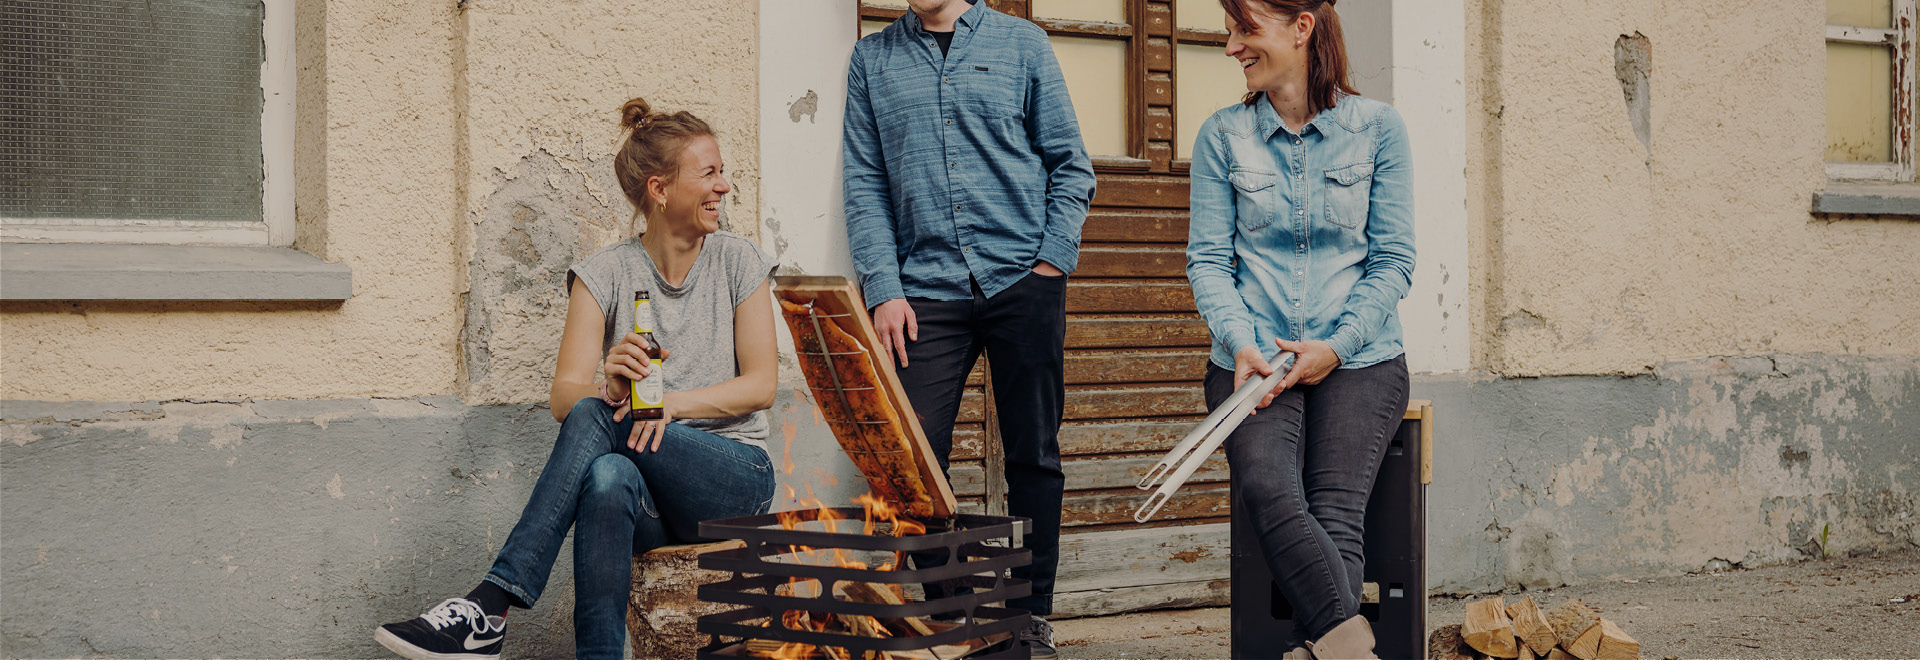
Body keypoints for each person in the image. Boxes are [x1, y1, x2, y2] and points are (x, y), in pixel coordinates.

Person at [374, 98, 779, 660]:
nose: (724, 187)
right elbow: (566, 396)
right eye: (709, 174)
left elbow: (761, 386)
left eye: (722, 172)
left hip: (734, 479)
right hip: (651, 504)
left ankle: (493, 601)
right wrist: (613, 389)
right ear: (661, 190)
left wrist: (668, 405)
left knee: (600, 424)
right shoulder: (603, 274)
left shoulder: (739, 262)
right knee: (608, 473)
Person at [841, 0, 1096, 657]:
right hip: (922, 292)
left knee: (1033, 453)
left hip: (1022, 279)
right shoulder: (872, 60)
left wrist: (1049, 264)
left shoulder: (1024, 45)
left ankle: (1029, 620)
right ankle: (960, 623)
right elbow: (865, 181)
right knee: (915, 460)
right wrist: (884, 289)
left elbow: (1071, 164)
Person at [1185, 0, 1415, 657]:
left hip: (1362, 357)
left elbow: (1394, 260)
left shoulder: (1378, 130)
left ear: (1301, 28)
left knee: (1336, 513)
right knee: (1266, 483)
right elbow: (1206, 262)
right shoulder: (1221, 136)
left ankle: (1321, 650)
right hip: (1254, 356)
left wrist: (1336, 346)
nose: (1230, 46)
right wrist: (1241, 343)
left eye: (1244, 29)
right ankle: (1347, 653)